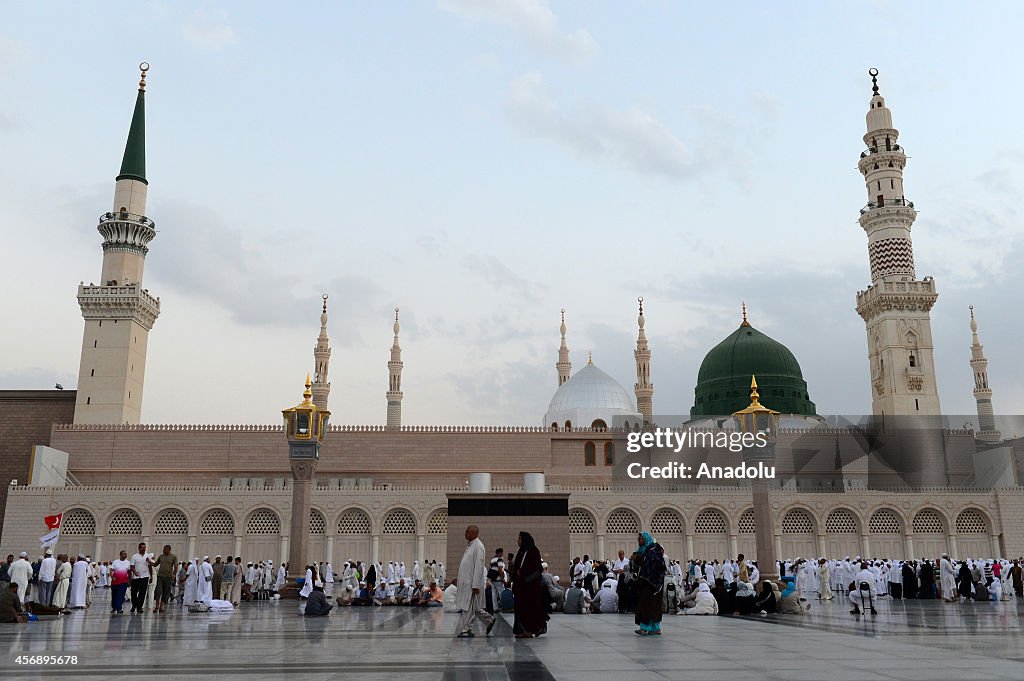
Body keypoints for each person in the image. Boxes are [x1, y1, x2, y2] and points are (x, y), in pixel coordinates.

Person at [455, 524, 494, 638]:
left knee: (467, 607)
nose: (465, 533)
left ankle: (467, 629)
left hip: (471, 584)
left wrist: (476, 584)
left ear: (474, 533)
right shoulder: (471, 546)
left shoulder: (478, 546)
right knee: (475, 608)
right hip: (467, 583)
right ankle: (489, 620)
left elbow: (479, 566)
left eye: (467, 531)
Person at [510, 531, 548, 638]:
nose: (518, 541)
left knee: (529, 608)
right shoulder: (521, 552)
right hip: (520, 587)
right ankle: (522, 630)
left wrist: (524, 575)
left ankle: (530, 629)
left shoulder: (533, 552)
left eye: (520, 538)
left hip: (530, 587)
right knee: (520, 609)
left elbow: (537, 569)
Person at [632, 532, 667, 636]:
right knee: (650, 605)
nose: (639, 540)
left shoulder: (653, 550)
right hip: (647, 582)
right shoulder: (646, 550)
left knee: (646, 604)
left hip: (653, 583)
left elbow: (651, 563)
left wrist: (638, 559)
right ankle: (654, 628)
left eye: (641, 538)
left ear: (646, 539)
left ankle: (645, 628)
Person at [151, 545, 177, 613]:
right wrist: (149, 562)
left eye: (165, 549)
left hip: (168, 577)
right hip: (160, 576)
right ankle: (156, 606)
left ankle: (161, 606)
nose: (163, 550)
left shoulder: (173, 557)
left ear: (169, 550)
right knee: (158, 591)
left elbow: (175, 566)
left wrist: (174, 574)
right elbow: (156, 564)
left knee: (165, 592)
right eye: (163, 549)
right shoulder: (161, 556)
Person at [129, 543, 152, 614]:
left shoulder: (147, 556)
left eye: (144, 547)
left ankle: (139, 607)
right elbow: (132, 566)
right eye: (142, 547)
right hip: (136, 577)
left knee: (142, 593)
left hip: (145, 576)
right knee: (134, 592)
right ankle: (134, 605)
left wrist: (151, 576)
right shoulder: (134, 556)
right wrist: (135, 572)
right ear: (139, 548)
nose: (143, 549)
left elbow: (150, 566)